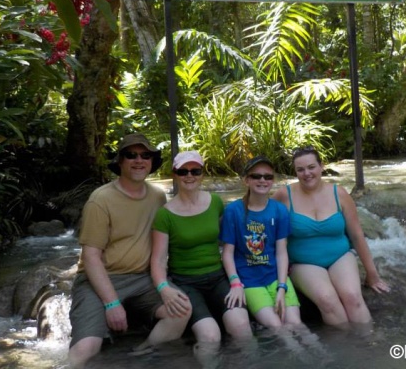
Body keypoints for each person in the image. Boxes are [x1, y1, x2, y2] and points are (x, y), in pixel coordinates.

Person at [68, 133, 191, 369]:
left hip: (144, 279)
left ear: (151, 162)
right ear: (120, 162)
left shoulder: (157, 196)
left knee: (182, 309)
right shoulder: (100, 200)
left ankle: (141, 356)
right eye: (131, 155)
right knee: (85, 350)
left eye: (145, 155)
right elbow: (91, 256)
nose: (139, 160)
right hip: (101, 280)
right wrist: (112, 303)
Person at [147, 150, 252, 364]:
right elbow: (158, 261)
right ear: (175, 174)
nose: (189, 176)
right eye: (183, 171)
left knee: (241, 327)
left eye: (195, 171)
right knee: (210, 336)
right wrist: (163, 289)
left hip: (217, 277)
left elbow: (230, 242)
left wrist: (238, 279)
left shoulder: (214, 203)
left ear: (202, 174)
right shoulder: (165, 214)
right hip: (186, 282)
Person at [272, 146, 390, 327]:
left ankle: (369, 344)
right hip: (304, 263)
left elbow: (357, 235)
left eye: (311, 167)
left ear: (321, 166)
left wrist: (372, 274)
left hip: (340, 256)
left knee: (353, 297)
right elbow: (263, 223)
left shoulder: (339, 193)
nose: (307, 173)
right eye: (300, 170)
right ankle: (345, 349)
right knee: (327, 300)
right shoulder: (283, 196)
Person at [219, 155, 301, 328]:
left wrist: (281, 286)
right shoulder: (233, 211)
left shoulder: (279, 210)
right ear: (246, 180)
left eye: (268, 176)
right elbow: (228, 253)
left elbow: (281, 252)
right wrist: (235, 282)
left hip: (275, 277)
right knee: (276, 326)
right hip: (249, 281)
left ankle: (322, 356)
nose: (262, 180)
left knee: (295, 323)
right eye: (256, 176)